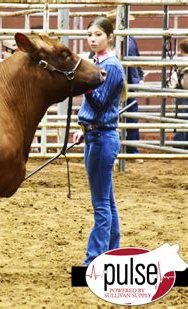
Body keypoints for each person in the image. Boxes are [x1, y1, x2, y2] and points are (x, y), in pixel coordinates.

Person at [73, 17, 125, 266]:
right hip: (95, 134)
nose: (92, 39)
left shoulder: (111, 65)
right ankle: (113, 251)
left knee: (101, 203)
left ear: (109, 37)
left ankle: (94, 258)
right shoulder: (95, 62)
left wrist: (83, 82)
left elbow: (100, 100)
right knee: (106, 199)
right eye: (89, 35)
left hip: (103, 137)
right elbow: (94, 106)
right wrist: (83, 127)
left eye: (97, 35)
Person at [107, 10, 144, 158]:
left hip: (131, 82)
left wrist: (140, 76)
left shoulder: (131, 39)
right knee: (113, 115)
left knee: (132, 116)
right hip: (113, 83)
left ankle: (132, 150)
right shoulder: (107, 40)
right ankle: (115, 149)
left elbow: (137, 59)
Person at [168, 38, 188, 148]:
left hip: (183, 93)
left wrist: (171, 87)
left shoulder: (179, 63)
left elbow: (173, 80)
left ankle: (179, 144)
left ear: (182, 51)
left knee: (183, 118)